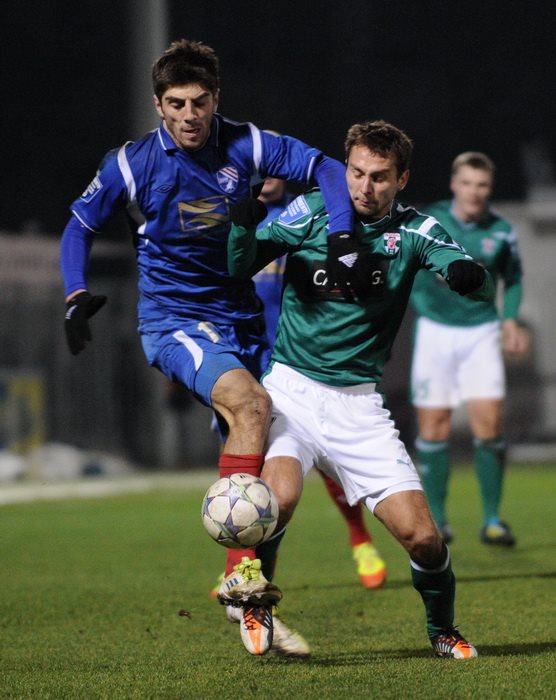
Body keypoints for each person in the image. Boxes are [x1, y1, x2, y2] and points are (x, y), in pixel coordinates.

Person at [59, 39, 364, 656]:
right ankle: (241, 579)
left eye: (199, 102)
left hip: (245, 322)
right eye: (176, 103)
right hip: (176, 321)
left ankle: (248, 601)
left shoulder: (247, 144)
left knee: (280, 474)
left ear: (215, 99)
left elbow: (329, 169)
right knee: (252, 407)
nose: (189, 115)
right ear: (158, 104)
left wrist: (342, 237)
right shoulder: (130, 164)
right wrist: (75, 293)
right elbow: (79, 226)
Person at [222, 120, 493, 659]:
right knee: (276, 501)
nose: (363, 187)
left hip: (359, 407)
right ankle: (256, 602)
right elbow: (239, 266)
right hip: (293, 392)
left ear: (402, 179)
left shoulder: (415, 230)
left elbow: (471, 274)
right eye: (356, 172)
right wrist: (242, 227)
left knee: (423, 539)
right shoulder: (311, 211)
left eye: (379, 177)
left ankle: (442, 629)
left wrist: (467, 275)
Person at [409, 152, 527, 546]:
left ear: (489, 189)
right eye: (467, 183)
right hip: (434, 330)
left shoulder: (502, 231)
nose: (474, 192)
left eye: (482, 185)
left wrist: (510, 320)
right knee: (433, 427)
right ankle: (439, 522)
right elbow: (408, 266)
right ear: (453, 184)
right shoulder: (431, 222)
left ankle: (492, 519)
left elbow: (514, 278)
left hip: (481, 332)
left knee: (489, 425)